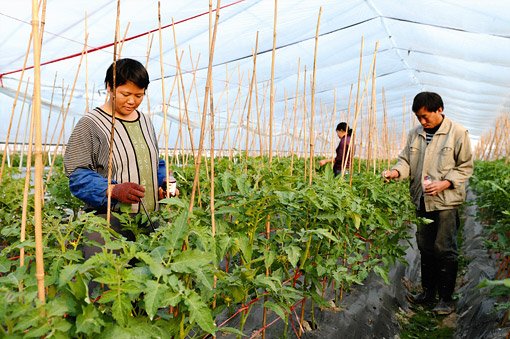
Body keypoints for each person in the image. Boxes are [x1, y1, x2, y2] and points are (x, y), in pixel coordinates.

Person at [64, 58, 177, 258]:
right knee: (109, 285)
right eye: (126, 94)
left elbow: (153, 161)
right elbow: (77, 174)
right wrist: (113, 190)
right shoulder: (90, 124)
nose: (132, 101)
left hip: (148, 222)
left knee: (149, 284)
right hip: (108, 223)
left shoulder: (145, 122)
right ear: (109, 87)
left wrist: (163, 183)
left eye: (139, 95)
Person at [382, 92, 473, 315]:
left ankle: (445, 299)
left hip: (445, 202)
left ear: (439, 110)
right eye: (418, 117)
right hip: (422, 200)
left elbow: (465, 167)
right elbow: (405, 160)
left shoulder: (458, 133)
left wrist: (445, 183)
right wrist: (396, 171)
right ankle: (428, 293)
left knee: (445, 249)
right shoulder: (415, 134)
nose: (422, 122)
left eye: (425, 117)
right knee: (425, 247)